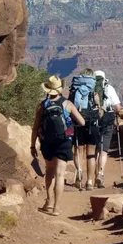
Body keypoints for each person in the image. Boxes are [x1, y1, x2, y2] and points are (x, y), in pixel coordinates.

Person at [31, 75, 85, 216]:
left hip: (47, 142)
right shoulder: (67, 104)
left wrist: (32, 146)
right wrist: (71, 124)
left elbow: (35, 128)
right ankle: (56, 207)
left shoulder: (42, 105)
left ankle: (48, 202)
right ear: (60, 89)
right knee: (60, 174)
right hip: (64, 142)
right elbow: (82, 122)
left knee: (49, 172)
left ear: (48, 89)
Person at [72, 68, 103, 191]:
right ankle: (90, 182)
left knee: (78, 151)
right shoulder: (94, 92)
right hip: (92, 125)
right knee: (91, 154)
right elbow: (99, 112)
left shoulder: (74, 91)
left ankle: (79, 170)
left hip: (78, 124)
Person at [94, 70, 123, 188]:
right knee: (103, 150)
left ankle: (92, 177)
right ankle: (100, 174)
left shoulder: (90, 88)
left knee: (95, 149)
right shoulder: (109, 88)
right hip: (107, 120)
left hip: (93, 120)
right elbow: (117, 107)